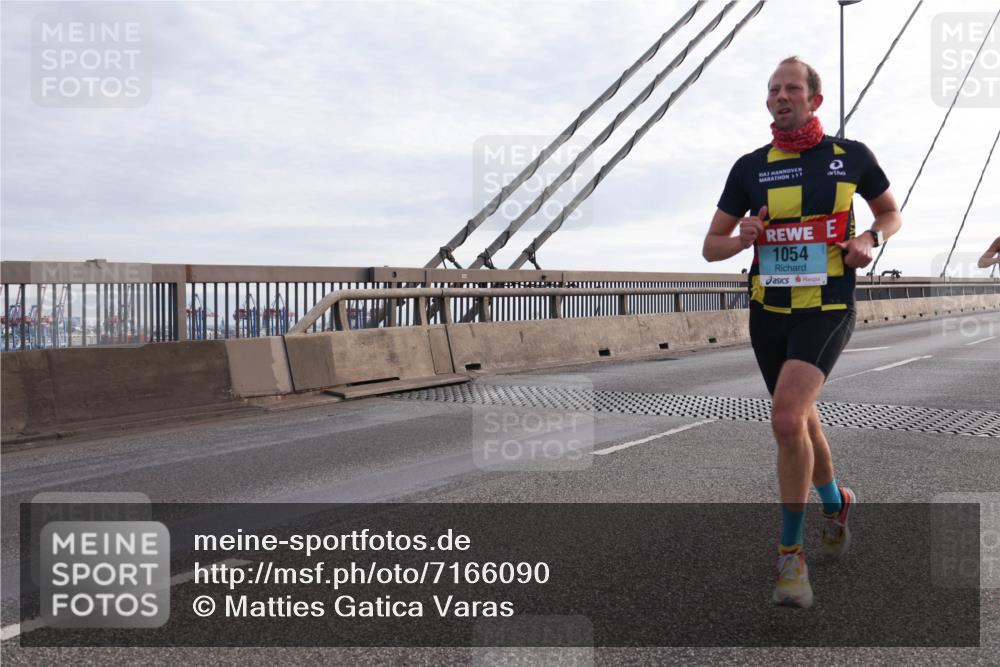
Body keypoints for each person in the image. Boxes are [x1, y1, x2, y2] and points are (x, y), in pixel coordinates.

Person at [702, 56, 902, 608]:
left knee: (786, 416)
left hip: (828, 305)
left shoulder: (850, 156)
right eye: (773, 89)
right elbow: (711, 246)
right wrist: (742, 237)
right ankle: (837, 503)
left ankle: (791, 558)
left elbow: (889, 213)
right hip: (769, 309)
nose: (780, 95)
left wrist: (870, 240)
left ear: (815, 99)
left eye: (792, 88)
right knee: (802, 422)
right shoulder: (749, 167)